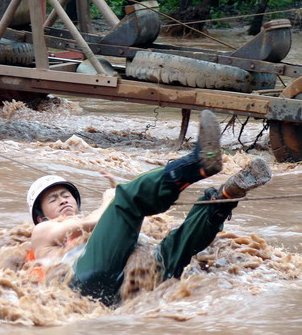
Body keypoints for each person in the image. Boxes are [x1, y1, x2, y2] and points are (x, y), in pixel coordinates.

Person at [26, 110, 272, 306]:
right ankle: (195, 165)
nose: (63, 200)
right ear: (40, 215)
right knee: (127, 200)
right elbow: (93, 221)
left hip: (127, 290)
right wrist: (111, 199)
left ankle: (225, 197)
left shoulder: (98, 235)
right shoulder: (43, 231)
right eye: (53, 199)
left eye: (66, 195)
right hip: (80, 282)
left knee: (173, 248)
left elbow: (131, 229)